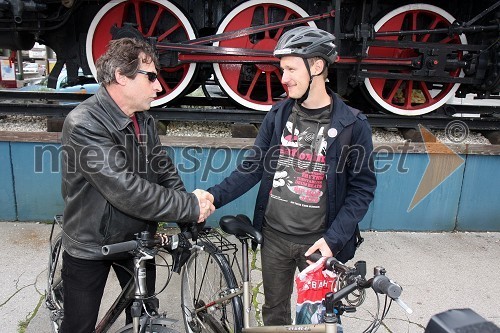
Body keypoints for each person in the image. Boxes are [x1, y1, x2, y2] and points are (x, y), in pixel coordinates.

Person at [207, 26, 376, 326]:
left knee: (319, 320)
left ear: (317, 66)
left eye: (290, 69)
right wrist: (213, 197)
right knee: (274, 314)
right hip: (274, 239)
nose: (283, 78)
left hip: (319, 245)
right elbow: (253, 167)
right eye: (281, 69)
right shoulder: (278, 115)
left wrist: (333, 241)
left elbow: (361, 191)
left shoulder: (353, 125)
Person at [60, 37, 215, 333]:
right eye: (152, 77)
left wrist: (187, 216)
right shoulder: (83, 123)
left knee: (145, 315)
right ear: (121, 76)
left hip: (138, 239)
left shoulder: (143, 119)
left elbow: (163, 169)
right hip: (93, 244)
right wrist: (189, 205)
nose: (159, 87)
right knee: (78, 326)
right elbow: (125, 189)